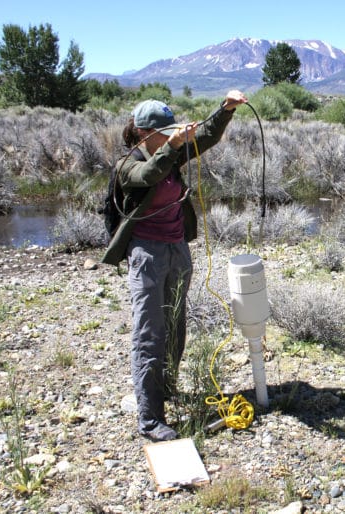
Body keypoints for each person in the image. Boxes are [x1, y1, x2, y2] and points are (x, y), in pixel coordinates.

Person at [102, 90, 248, 441]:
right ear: (142, 133)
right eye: (163, 132)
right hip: (146, 255)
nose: (170, 137)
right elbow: (149, 175)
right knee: (149, 333)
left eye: (172, 131)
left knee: (175, 325)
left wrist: (225, 110)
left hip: (177, 249)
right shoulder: (128, 165)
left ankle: (166, 388)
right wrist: (172, 146)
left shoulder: (170, 152)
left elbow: (208, 136)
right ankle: (150, 418)